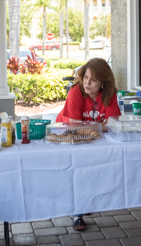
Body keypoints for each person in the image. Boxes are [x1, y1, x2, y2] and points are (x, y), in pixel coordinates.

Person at [56, 57, 121, 231]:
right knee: (78, 170)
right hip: (70, 137)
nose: (87, 83)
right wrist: (101, 126)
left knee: (97, 169)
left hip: (94, 138)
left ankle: (87, 201)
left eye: (93, 79)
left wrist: (92, 127)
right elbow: (75, 127)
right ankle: (78, 212)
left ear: (103, 82)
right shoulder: (76, 92)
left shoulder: (110, 94)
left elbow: (113, 124)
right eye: (85, 77)